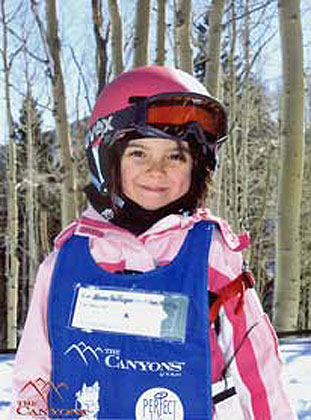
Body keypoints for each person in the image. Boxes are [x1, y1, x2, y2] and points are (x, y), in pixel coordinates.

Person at [12, 66, 295, 419]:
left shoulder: (211, 257)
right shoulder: (65, 264)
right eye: (139, 153)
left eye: (175, 155)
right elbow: (34, 375)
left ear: (198, 166)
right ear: (107, 158)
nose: (157, 170)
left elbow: (258, 369)